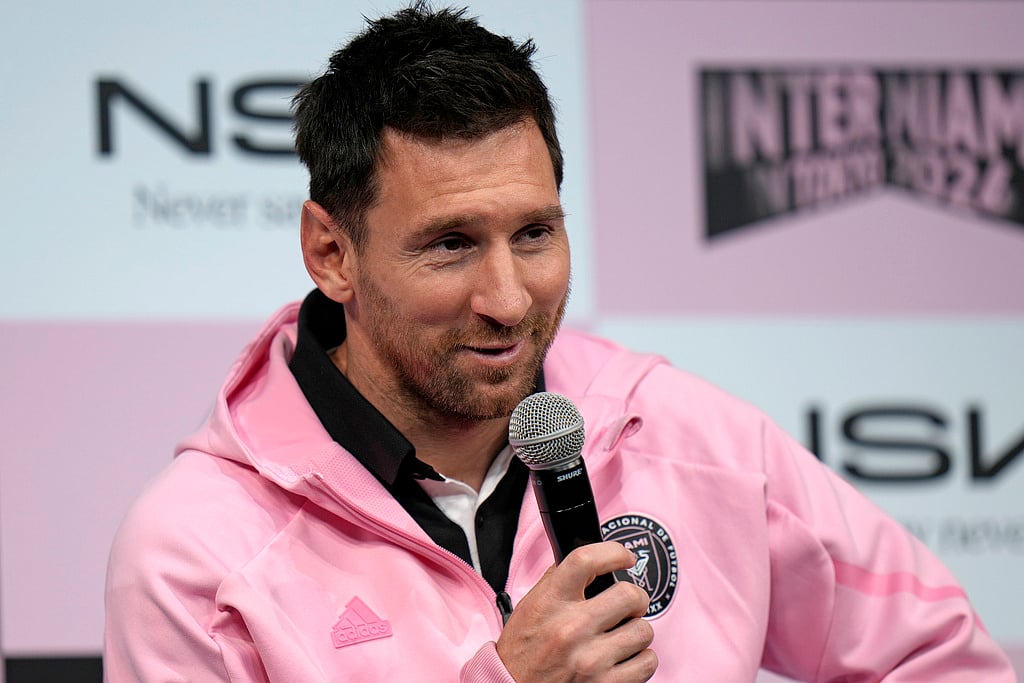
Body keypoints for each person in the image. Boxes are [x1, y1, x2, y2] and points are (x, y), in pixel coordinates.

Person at [103, 4, 1016, 682]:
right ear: (331, 252)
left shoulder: (682, 437)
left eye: (534, 234)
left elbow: (942, 659)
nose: (508, 298)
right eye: (451, 244)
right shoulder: (197, 551)